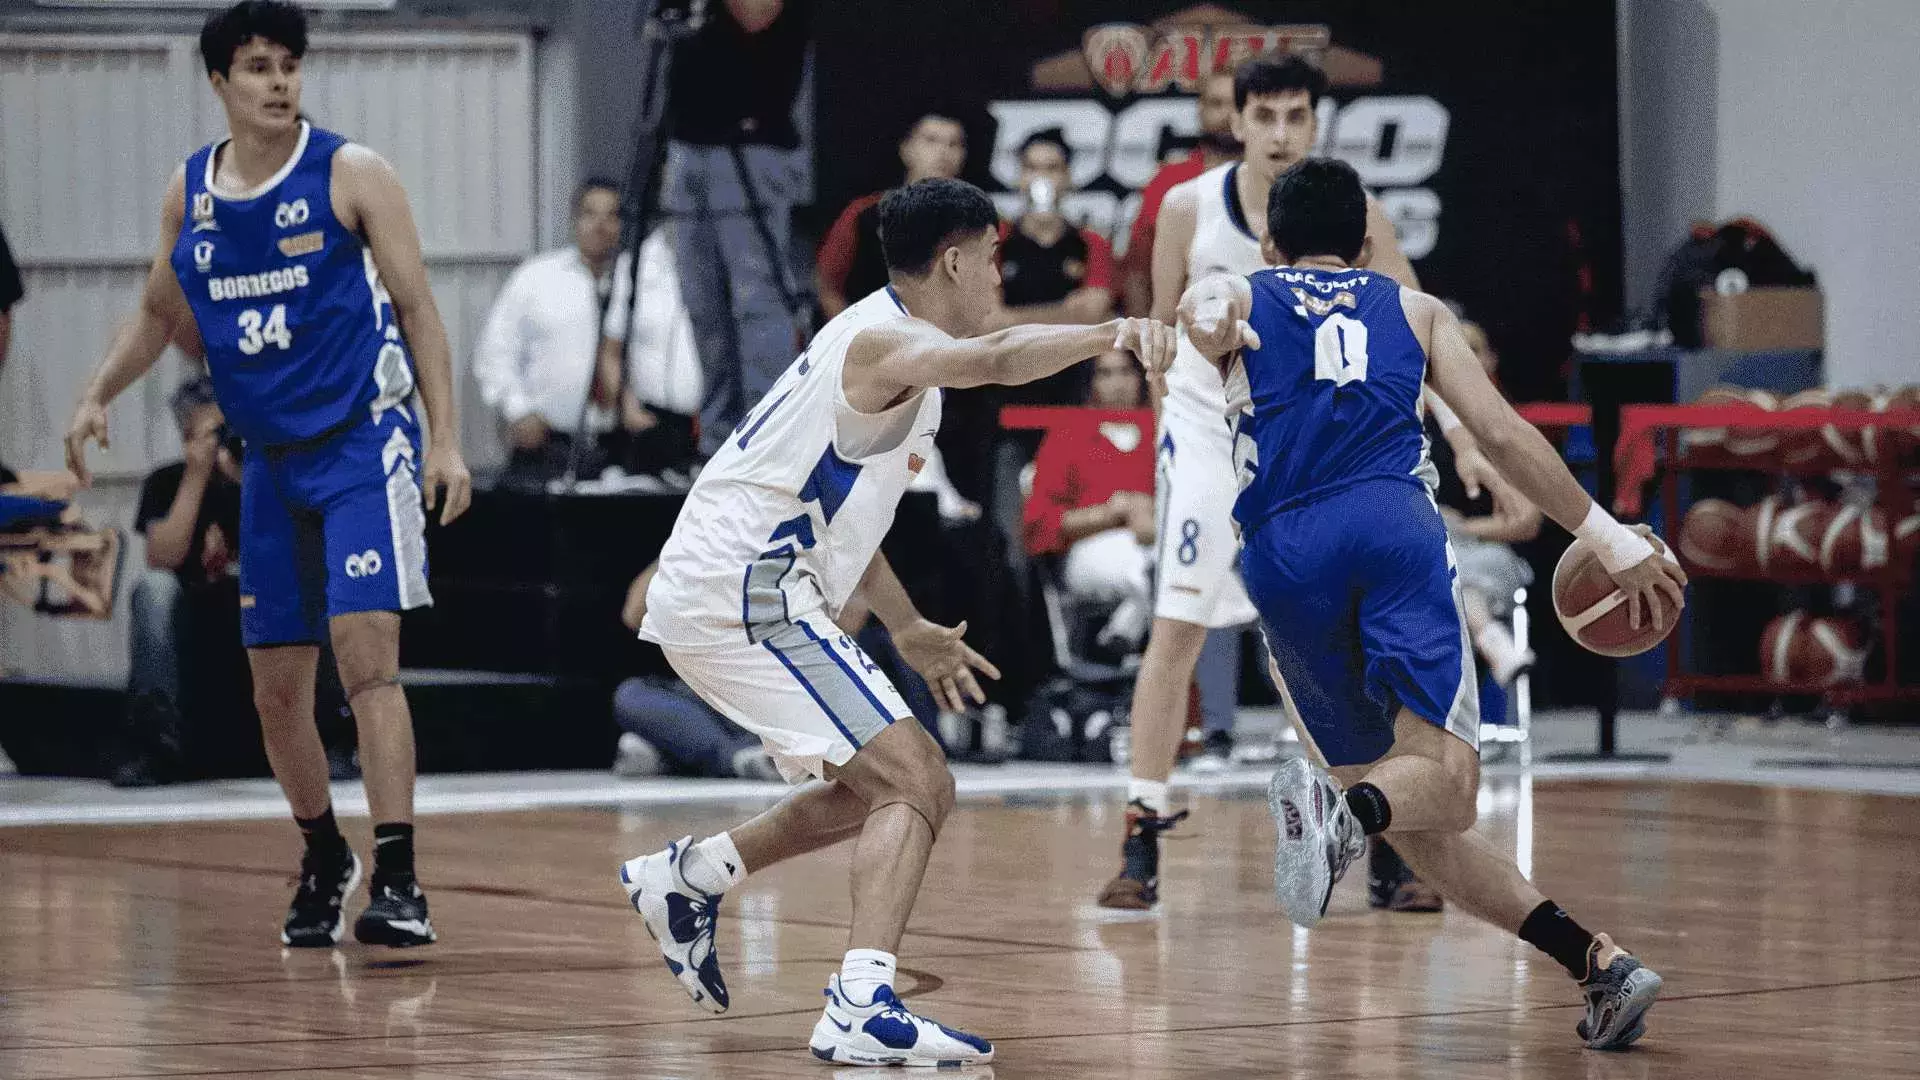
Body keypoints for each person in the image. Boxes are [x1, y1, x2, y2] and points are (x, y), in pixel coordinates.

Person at [616, 177, 1174, 1067]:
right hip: (741, 593)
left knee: (881, 783)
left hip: (762, 588)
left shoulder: (892, 351)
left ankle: (690, 878)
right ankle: (859, 1006)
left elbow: (848, 517)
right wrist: (1117, 331)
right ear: (954, 260)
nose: (999, 279)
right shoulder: (884, 341)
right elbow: (998, 355)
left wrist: (907, 624)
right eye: (992, 259)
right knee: (918, 777)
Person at [1182, 157, 1686, 1050]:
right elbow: (1499, 431)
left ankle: (1596, 964)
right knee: (1440, 791)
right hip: (1390, 530)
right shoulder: (1413, 309)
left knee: (1408, 805)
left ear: (1269, 242)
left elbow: (1204, 310)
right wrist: (1608, 538)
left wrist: (1213, 309)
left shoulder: (1242, 293)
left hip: (1282, 555)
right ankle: (1348, 818)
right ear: (1370, 244)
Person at [63, 1, 472, 948]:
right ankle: (324, 852)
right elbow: (161, 312)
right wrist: (95, 394)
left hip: (363, 442)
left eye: (289, 63)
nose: (279, 81)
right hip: (269, 465)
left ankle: (400, 878)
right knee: (276, 691)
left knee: (368, 655)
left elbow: (418, 308)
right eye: (257, 66)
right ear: (219, 82)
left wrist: (444, 439)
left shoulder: (351, 171)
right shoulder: (191, 194)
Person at [1099, 55, 1480, 912]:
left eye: (1294, 115)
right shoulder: (1188, 206)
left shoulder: (1358, 214)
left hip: (1312, 446)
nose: (1279, 132)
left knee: (1338, 641)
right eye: (1263, 115)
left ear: (1315, 123)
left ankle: (1382, 836)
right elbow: (1162, 331)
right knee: (1179, 624)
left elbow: (1419, 331)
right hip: (1208, 431)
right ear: (1237, 122)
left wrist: (1462, 436)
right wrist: (1181, 441)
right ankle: (1140, 827)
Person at [665, 0, 814, 460]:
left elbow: (758, 14)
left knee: (756, 300)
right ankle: (716, 445)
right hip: (687, 141)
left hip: (751, 144)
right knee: (702, 303)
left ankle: (766, 440)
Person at [473, 178, 622, 487]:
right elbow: (494, 352)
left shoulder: (641, 283)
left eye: (612, 215)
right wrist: (518, 410)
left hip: (617, 449)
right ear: (574, 220)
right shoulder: (537, 278)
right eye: (590, 214)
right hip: (546, 446)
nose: (601, 225)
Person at [1021, 350, 1155, 653]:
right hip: (1088, 549)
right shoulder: (1069, 432)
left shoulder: (1163, 428)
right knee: (1150, 572)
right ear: (1090, 382)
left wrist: (1149, 511)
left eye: (1126, 372)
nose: (1118, 383)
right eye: (1106, 374)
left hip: (1158, 540)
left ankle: (1123, 635)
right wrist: (1111, 513)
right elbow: (1038, 525)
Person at [612, 560, 783, 780]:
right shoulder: (698, 549)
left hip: (767, 694)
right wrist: (682, 541)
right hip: (707, 696)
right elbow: (634, 615)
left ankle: (682, 752)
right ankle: (738, 757)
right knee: (631, 695)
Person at [816, 111, 968, 320]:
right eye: (931, 140)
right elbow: (826, 285)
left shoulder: (973, 224)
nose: (943, 152)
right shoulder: (866, 214)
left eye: (954, 144)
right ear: (906, 149)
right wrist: (853, 339)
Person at [1121, 68, 1238, 316]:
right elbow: (1137, 269)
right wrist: (1144, 342)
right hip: (1180, 329)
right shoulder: (1169, 180)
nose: (1228, 114)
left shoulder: (1272, 179)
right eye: (1217, 103)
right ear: (1200, 109)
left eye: (1237, 103)